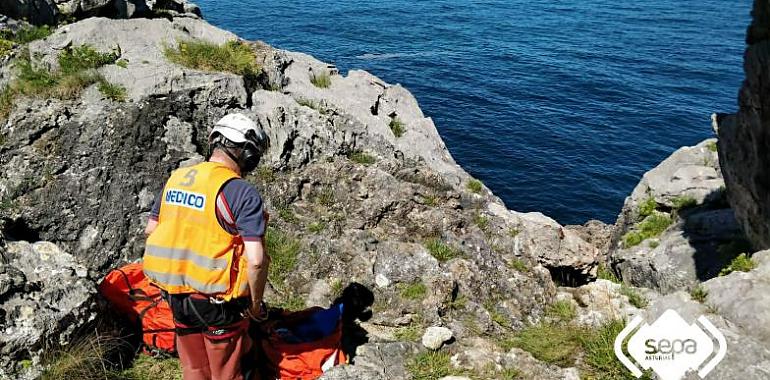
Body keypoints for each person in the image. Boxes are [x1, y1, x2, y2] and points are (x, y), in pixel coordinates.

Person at [143, 113, 271, 380]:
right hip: (218, 302)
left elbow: (152, 230)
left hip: (175, 294)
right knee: (226, 372)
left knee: (194, 368)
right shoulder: (241, 191)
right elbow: (256, 260)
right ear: (247, 154)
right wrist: (256, 305)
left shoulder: (177, 177)